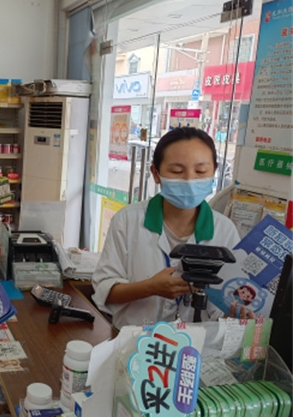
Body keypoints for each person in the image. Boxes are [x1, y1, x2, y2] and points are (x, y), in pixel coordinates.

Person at [92, 127, 241, 329]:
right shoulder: (127, 220)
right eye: (177, 171)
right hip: (132, 343)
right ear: (156, 173)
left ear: (214, 172)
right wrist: (150, 287)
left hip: (194, 349)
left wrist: (236, 314)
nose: (189, 180)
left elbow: (227, 300)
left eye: (200, 171)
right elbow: (104, 290)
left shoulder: (225, 230)